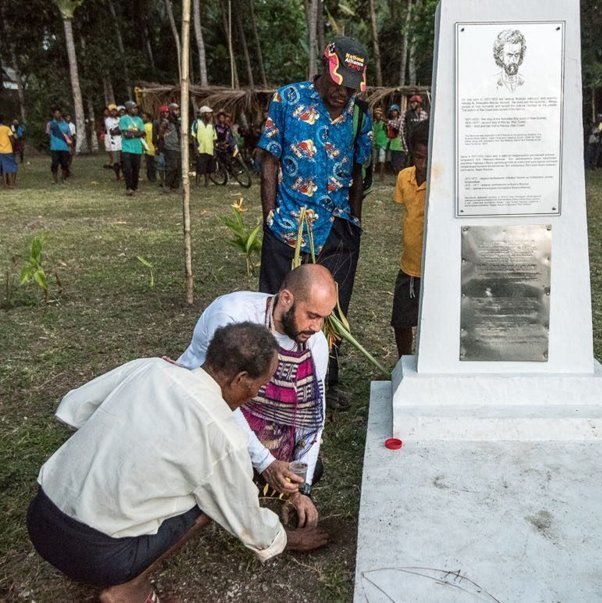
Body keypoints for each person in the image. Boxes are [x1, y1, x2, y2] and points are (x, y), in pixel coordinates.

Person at [26, 322, 329, 603]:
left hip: (40, 517)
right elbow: (247, 521)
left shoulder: (150, 369)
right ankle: (129, 588)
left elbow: (74, 408)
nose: (258, 393)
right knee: (206, 502)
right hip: (95, 556)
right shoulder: (222, 436)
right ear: (240, 379)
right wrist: (289, 539)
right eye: (260, 385)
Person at [257, 36, 372, 408]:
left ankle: (324, 381)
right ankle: (270, 379)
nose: (343, 93)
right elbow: (269, 160)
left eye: (351, 87)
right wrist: (270, 215)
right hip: (289, 222)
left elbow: (359, 170)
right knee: (279, 303)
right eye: (339, 83)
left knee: (332, 310)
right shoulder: (288, 100)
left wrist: (353, 223)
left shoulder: (359, 114)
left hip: (337, 228)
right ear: (325, 67)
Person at [178, 264, 337, 529]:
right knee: (215, 466)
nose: (317, 326)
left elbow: (310, 418)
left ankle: (248, 479)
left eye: (323, 318)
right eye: (311, 315)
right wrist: (266, 462)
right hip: (203, 412)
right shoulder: (232, 317)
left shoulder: (315, 342)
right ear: (286, 299)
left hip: (262, 429)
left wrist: (299, 488)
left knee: (307, 470)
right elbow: (221, 400)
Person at [391, 121, 428, 357]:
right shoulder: (405, 177)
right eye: (418, 156)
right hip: (409, 266)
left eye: (427, 157)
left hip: (432, 267)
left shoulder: (445, 179)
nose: (422, 163)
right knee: (401, 321)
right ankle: (403, 361)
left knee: (432, 322)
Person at [119, 101, 146, 196]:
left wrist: (132, 133)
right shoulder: (123, 119)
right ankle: (129, 187)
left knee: (136, 168)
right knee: (127, 168)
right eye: (134, 108)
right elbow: (126, 134)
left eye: (136, 108)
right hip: (127, 148)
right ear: (129, 109)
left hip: (137, 148)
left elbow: (143, 133)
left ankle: (135, 186)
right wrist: (137, 133)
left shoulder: (139, 120)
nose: (136, 110)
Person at [493, 29, 526, 93]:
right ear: (500, 56)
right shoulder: (492, 82)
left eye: (517, 55)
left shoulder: (525, 82)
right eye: (510, 55)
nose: (513, 60)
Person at [158, 102, 181, 192]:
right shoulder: (166, 121)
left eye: (178, 109)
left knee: (179, 167)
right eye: (175, 110)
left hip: (178, 146)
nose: (178, 111)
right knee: (172, 166)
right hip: (170, 147)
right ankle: (167, 185)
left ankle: (175, 186)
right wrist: (165, 139)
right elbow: (160, 133)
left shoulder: (178, 121)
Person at [46, 107, 72, 184]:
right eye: (55, 113)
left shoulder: (66, 125)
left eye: (58, 113)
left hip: (64, 147)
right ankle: (54, 179)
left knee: (64, 164)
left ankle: (63, 179)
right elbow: (48, 134)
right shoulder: (50, 124)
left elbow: (69, 137)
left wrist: (70, 146)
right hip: (54, 147)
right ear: (53, 114)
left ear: (61, 114)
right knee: (54, 164)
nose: (57, 114)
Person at [192, 106, 216, 186]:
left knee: (208, 168)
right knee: (199, 168)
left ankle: (207, 183)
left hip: (209, 149)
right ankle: (197, 184)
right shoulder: (196, 123)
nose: (210, 115)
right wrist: (195, 150)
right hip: (200, 149)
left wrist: (214, 150)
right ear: (203, 114)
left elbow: (214, 138)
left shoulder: (211, 125)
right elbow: (194, 137)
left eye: (210, 113)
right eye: (208, 113)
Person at [401, 95, 428, 159]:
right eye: (411, 103)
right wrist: (404, 146)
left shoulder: (424, 114)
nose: (412, 105)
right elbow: (401, 129)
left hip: (420, 142)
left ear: (418, 104)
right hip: (409, 142)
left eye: (414, 103)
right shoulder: (407, 114)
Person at [104, 104, 122, 180]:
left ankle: (123, 175)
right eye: (112, 111)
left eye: (115, 110)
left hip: (121, 142)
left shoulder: (120, 119)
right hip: (114, 143)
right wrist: (120, 129)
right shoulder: (108, 120)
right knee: (116, 161)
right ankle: (117, 176)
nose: (113, 112)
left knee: (122, 160)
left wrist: (119, 129)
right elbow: (113, 132)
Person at [386, 104, 405, 174]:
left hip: (400, 145)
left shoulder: (400, 120)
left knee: (400, 163)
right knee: (394, 163)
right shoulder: (390, 121)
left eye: (395, 111)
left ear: (398, 111)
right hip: (393, 144)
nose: (393, 113)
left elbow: (397, 125)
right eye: (392, 111)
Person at [372, 105, 389, 181]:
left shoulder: (383, 123)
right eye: (376, 114)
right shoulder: (374, 123)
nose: (378, 115)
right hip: (375, 143)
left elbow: (387, 132)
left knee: (382, 160)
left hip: (382, 143)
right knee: (374, 159)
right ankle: (373, 175)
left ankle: (381, 176)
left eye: (379, 114)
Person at [0, 115, 18, 188]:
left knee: (4, 168)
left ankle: (5, 184)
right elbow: (12, 139)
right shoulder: (7, 128)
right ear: (3, 120)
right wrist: (13, 147)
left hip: (0, 151)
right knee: (12, 167)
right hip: (7, 150)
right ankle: (11, 183)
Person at [143, 112, 157, 183]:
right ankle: (153, 177)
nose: (143, 118)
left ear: (148, 118)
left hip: (147, 148)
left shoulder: (144, 126)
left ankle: (151, 177)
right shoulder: (155, 126)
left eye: (144, 117)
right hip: (154, 148)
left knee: (150, 164)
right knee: (153, 164)